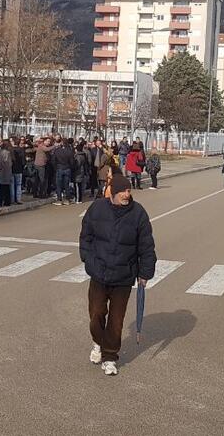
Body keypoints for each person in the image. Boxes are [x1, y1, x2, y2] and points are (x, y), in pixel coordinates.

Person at [79, 174, 156, 376]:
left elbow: (146, 245)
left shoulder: (138, 213)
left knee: (116, 319)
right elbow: (86, 236)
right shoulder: (97, 209)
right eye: (122, 191)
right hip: (99, 273)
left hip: (124, 275)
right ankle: (98, 342)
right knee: (96, 313)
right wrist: (87, 258)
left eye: (129, 191)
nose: (126, 195)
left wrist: (145, 272)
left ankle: (110, 357)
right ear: (113, 193)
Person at [52, 138, 77, 205]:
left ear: (61, 143)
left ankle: (59, 199)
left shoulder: (57, 150)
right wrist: (70, 167)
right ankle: (67, 199)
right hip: (67, 168)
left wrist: (55, 167)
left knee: (59, 185)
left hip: (59, 168)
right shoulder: (70, 151)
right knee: (66, 185)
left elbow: (53, 160)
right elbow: (72, 162)